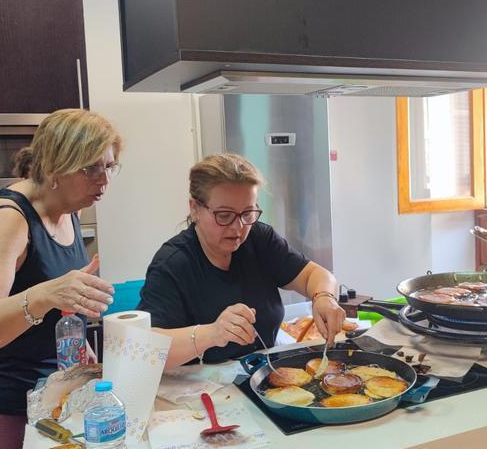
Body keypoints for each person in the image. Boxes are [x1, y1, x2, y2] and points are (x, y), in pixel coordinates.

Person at [0, 109, 122, 449]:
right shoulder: (10, 220)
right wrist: (48, 293)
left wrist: (84, 355)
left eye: (108, 166)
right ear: (55, 167)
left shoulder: (70, 209)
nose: (104, 179)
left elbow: (57, 305)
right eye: (91, 168)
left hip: (46, 398)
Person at [138, 153, 345, 369]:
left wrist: (324, 297)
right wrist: (212, 333)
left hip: (262, 376)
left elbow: (316, 275)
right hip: (196, 393)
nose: (238, 227)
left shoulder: (259, 239)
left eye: (247, 213)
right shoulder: (172, 263)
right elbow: (147, 349)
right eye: (224, 215)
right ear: (195, 208)